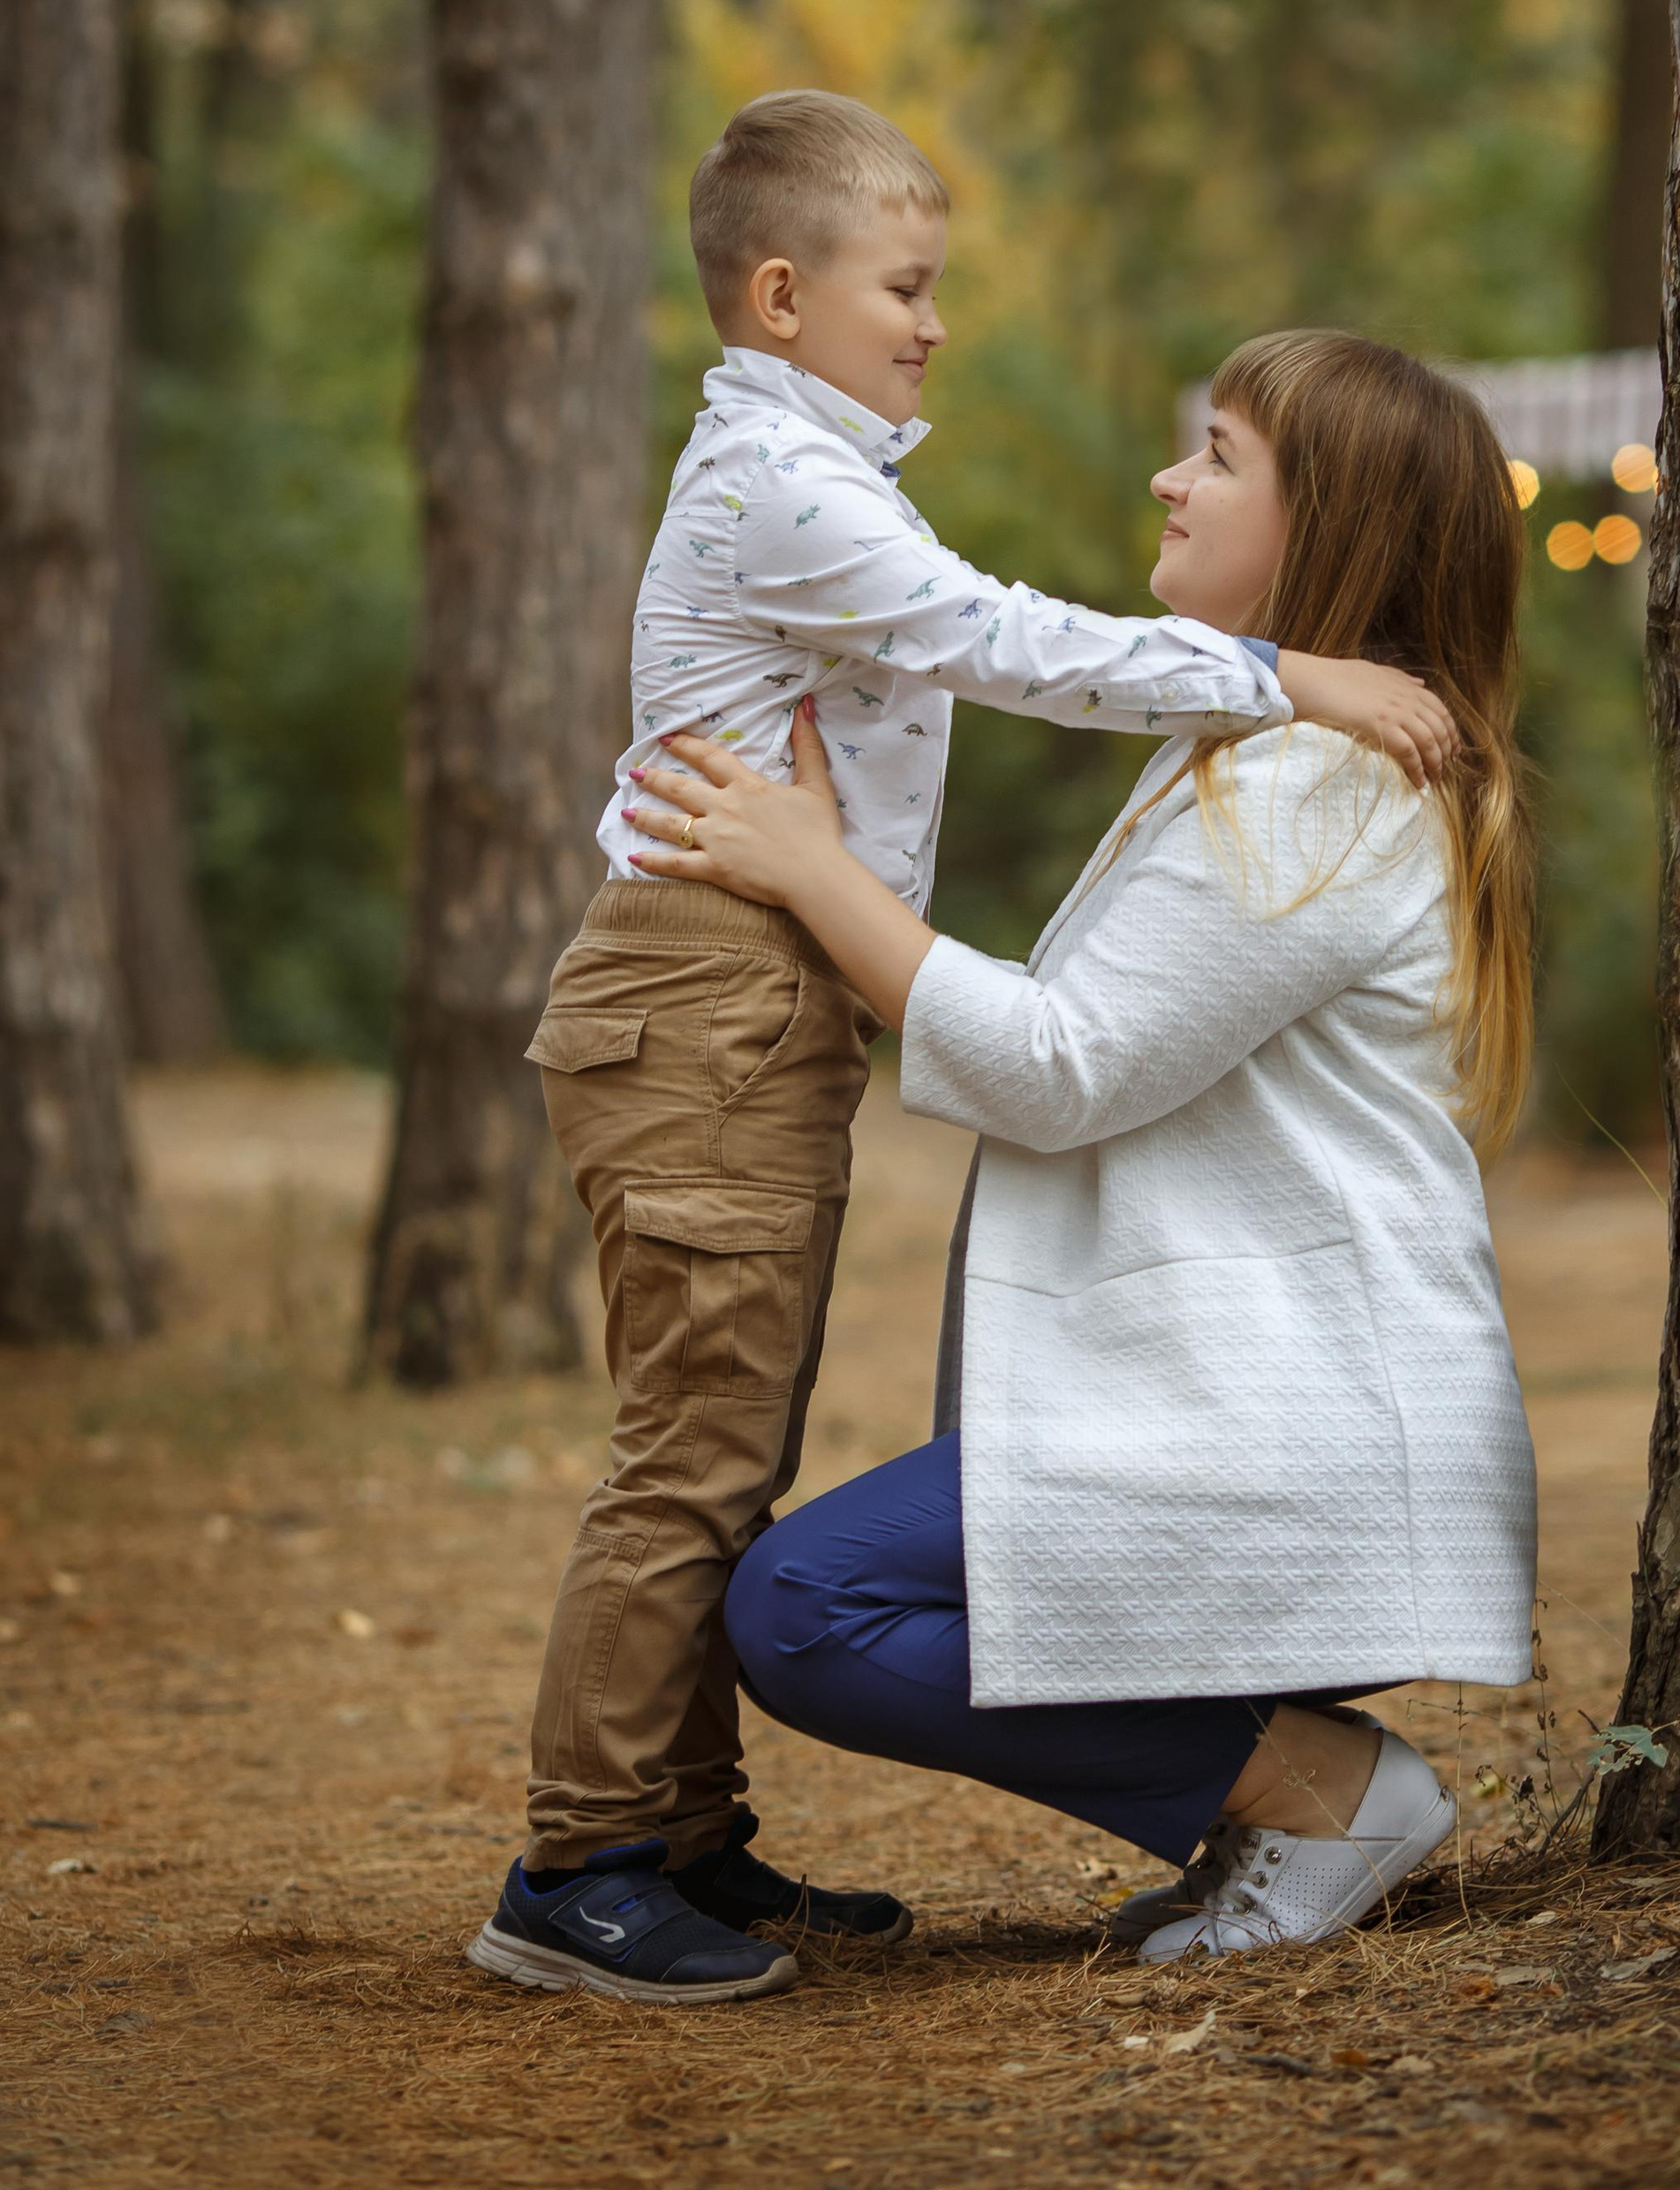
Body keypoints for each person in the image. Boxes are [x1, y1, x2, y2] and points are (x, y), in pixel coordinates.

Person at [468, 100, 1458, 2008]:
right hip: (702, 991)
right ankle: (573, 1862)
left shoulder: (808, 469)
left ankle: (681, 1836)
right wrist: (1284, 671)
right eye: (905, 288)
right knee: (689, 1462)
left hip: (748, 998)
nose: (932, 324)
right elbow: (1002, 642)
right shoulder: (784, 485)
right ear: (781, 296)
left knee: (726, 1445)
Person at [618, 330, 1539, 1966]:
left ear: (1333, 528)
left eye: (1221, 457)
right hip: (1239, 1398)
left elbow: (1059, 1066)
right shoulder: (1267, 749)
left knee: (805, 1609)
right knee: (823, 1592)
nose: (1174, 480)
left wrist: (811, 868)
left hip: (1278, 1412)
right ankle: (1266, 1780)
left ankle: (1321, 1790)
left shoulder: (1324, 778)